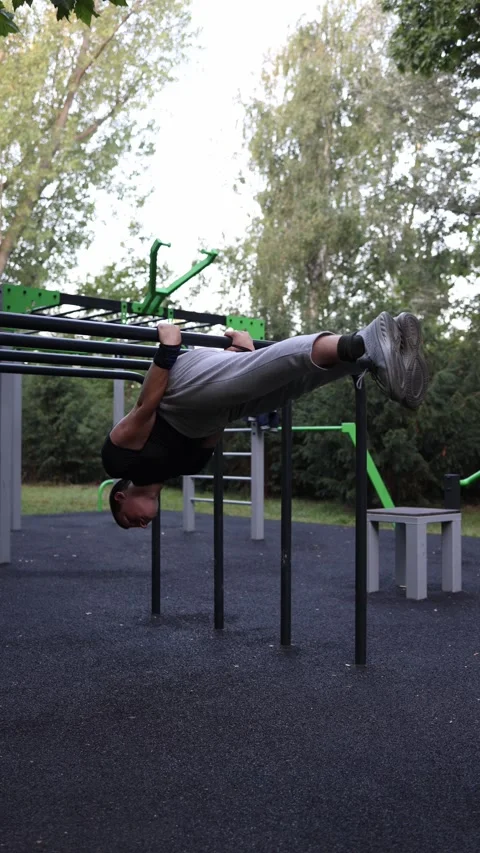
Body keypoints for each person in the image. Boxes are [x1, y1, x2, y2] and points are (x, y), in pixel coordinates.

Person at [101, 311, 428, 529]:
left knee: (275, 368)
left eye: (129, 522)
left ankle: (363, 340)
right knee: (290, 386)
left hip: (176, 393)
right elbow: (219, 417)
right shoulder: (182, 468)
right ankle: (371, 357)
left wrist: (167, 349)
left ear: (121, 498)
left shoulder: (119, 462)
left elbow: (145, 407)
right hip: (217, 407)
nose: (139, 527)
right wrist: (244, 360)